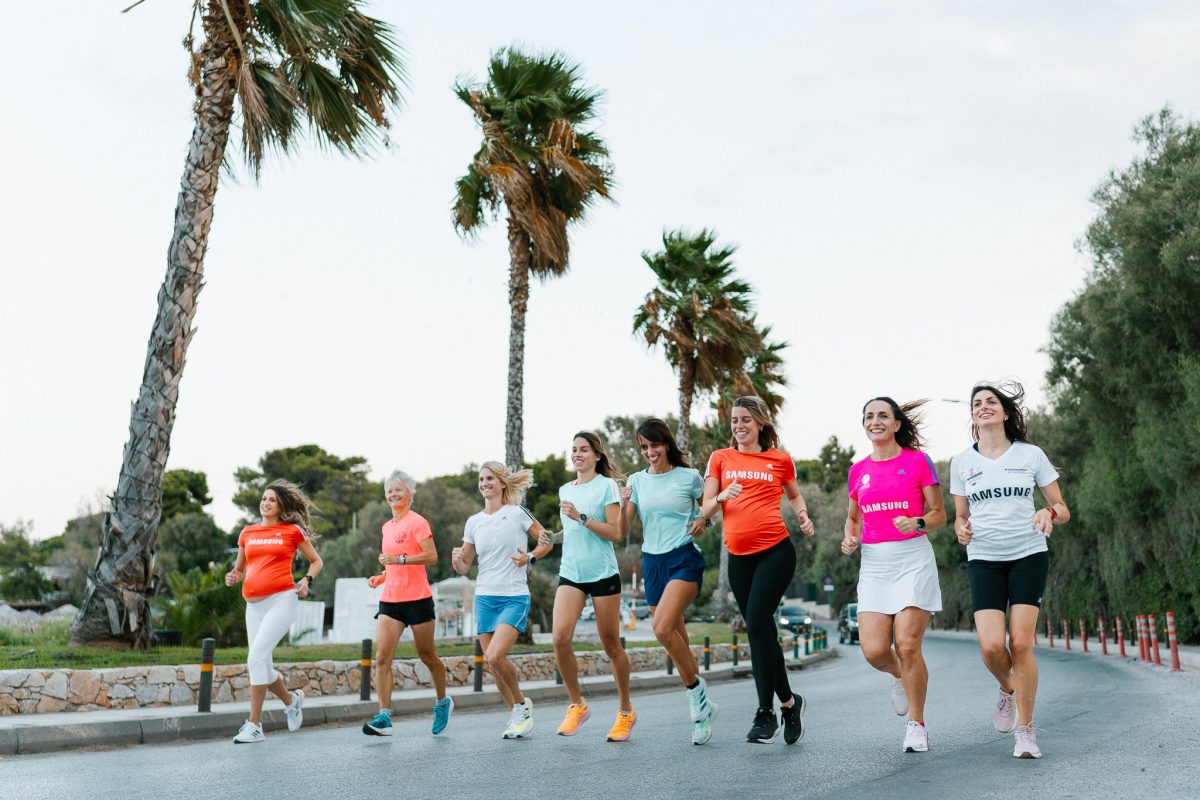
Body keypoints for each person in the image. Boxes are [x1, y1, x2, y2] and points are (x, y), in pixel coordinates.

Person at [950, 381, 1070, 760]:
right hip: (984, 559)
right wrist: (961, 530)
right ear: (972, 416)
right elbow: (959, 520)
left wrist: (1046, 511)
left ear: (1004, 413)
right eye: (977, 404)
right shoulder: (961, 463)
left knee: (1020, 644)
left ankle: (1026, 730)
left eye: (991, 402)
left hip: (1028, 554)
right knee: (990, 646)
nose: (983, 407)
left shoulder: (1031, 455)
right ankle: (1009, 687)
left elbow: (1062, 508)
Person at [702, 396, 815, 745]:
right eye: (734, 420)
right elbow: (705, 507)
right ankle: (790, 703)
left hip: (776, 552)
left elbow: (794, 495)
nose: (739, 426)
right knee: (762, 630)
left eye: (746, 420)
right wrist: (722, 497)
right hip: (739, 557)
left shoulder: (779, 460)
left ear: (761, 424)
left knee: (756, 621)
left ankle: (765, 713)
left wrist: (802, 513)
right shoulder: (720, 458)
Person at [841, 397, 946, 753]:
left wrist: (916, 522)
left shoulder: (917, 462)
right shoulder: (858, 470)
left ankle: (917, 725)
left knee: (906, 644)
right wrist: (850, 537)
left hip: (912, 559)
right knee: (872, 650)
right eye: (869, 416)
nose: (876, 421)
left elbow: (939, 515)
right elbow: (854, 517)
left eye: (883, 415)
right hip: (874, 564)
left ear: (897, 424)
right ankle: (902, 676)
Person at [617, 418, 716, 745]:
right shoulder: (637, 481)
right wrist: (622, 502)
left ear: (667, 443)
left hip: (684, 558)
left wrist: (703, 519)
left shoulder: (688, 477)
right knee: (678, 638)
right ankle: (701, 695)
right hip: (653, 563)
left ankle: (697, 698)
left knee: (660, 629)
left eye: (654, 445)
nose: (649, 452)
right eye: (644, 448)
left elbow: (712, 512)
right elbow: (622, 530)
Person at [451, 461, 553, 739]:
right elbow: (465, 566)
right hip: (484, 597)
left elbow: (546, 541)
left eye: (490, 478)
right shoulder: (474, 522)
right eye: (481, 479)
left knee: (496, 656)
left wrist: (529, 557)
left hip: (513, 596)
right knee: (493, 664)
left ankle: (521, 705)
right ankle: (517, 714)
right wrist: (457, 561)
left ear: (502, 483)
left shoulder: (517, 513)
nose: (484, 483)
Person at [553, 431, 637, 742]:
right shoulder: (564, 489)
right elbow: (571, 534)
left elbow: (615, 533)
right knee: (560, 638)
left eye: (584, 449)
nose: (577, 454)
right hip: (571, 572)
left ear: (596, 455)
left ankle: (626, 711)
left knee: (611, 645)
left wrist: (582, 517)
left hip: (603, 573)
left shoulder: (606, 486)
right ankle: (577, 704)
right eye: (574, 449)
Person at [224, 481, 323, 744]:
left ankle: (255, 725)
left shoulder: (291, 531)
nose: (265, 503)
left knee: (255, 658)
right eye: (264, 498)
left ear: (280, 506)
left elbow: (316, 561)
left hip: (282, 600)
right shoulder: (247, 533)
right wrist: (234, 576)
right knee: (263, 668)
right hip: (253, 605)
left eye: (272, 500)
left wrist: (306, 581)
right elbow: (240, 568)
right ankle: (292, 702)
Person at [361, 469, 452, 737]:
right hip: (390, 601)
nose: (393, 494)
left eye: (398, 490)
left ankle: (442, 701)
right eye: (389, 491)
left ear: (410, 494)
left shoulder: (417, 522)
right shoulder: (387, 527)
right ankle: (384, 717)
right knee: (381, 659)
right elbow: (393, 565)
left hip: (418, 599)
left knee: (427, 655)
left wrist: (399, 560)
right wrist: (382, 577)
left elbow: (431, 556)